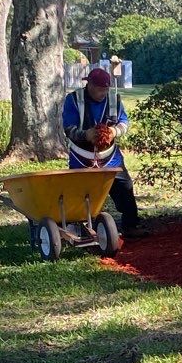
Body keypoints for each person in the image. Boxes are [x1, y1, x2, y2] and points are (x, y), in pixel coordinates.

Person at [61, 64, 144, 236]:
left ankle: (131, 225)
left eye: (105, 90)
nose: (103, 94)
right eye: (99, 90)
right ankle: (79, 227)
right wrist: (86, 135)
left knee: (125, 185)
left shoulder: (115, 99)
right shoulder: (74, 100)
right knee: (80, 191)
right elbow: (69, 128)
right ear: (89, 85)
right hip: (81, 156)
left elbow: (123, 123)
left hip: (110, 156)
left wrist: (114, 131)